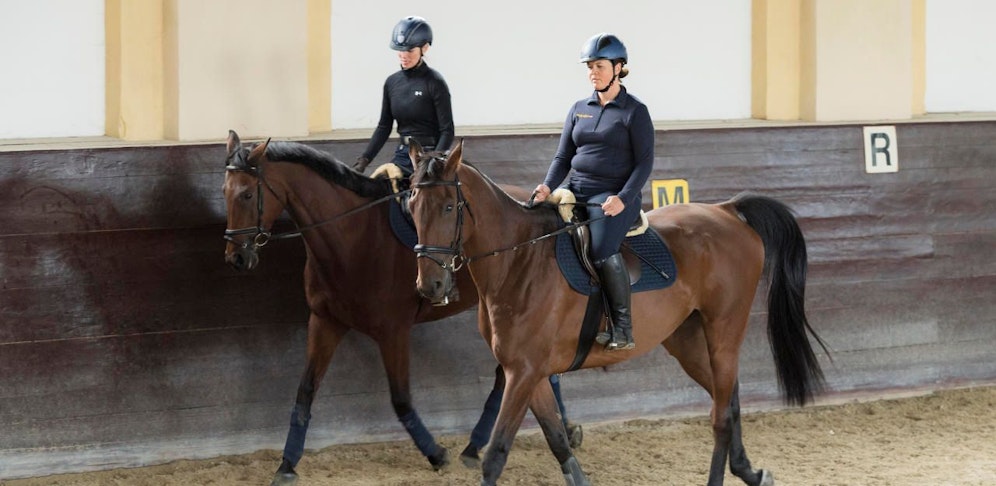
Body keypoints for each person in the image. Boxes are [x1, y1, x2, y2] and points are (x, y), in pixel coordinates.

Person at [532, 33, 655, 351]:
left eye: (599, 66)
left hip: (611, 195)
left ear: (618, 68)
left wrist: (622, 198)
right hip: (574, 188)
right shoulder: (578, 108)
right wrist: (548, 185)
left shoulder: (634, 112)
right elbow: (563, 157)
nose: (593, 72)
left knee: (601, 250)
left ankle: (623, 328)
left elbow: (644, 164)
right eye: (590, 67)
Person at [353, 16, 454, 176]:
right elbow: (384, 127)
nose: (404, 55)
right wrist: (365, 159)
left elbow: (447, 130)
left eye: (410, 50)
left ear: (425, 48)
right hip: (403, 155)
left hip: (430, 155)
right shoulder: (391, 83)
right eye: (400, 50)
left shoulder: (435, 82)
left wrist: (435, 159)